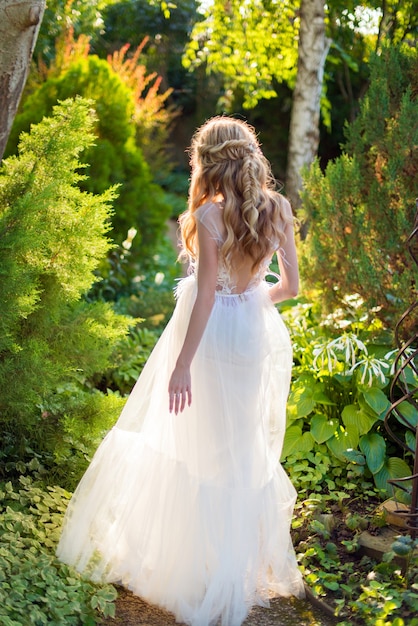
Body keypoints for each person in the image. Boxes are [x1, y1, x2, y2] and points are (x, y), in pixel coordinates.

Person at [56, 116, 305, 626]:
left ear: (208, 162)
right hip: (251, 336)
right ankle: (230, 567)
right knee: (237, 449)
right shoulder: (277, 209)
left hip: (208, 338)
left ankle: (193, 565)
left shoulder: (208, 217)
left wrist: (182, 366)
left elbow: (208, 293)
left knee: (194, 447)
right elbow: (292, 288)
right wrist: (257, 302)